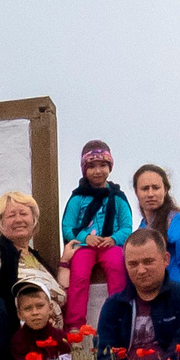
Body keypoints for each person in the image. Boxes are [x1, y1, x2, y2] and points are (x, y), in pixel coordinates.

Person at [92, 228, 180, 360]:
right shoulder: (113, 305)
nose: (141, 270)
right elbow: (104, 355)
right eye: (133, 264)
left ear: (166, 259)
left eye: (148, 262)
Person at [60, 141, 135, 334]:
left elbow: (127, 226)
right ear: (84, 170)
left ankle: (119, 317)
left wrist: (113, 239)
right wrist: (86, 237)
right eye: (91, 166)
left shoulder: (117, 197)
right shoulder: (77, 198)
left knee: (117, 267)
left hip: (110, 244)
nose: (97, 171)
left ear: (110, 167)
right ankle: (75, 325)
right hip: (85, 246)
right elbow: (68, 226)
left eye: (102, 165)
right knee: (80, 275)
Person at [0, 190, 62, 308]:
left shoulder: (36, 258)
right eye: (11, 215)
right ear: (1, 222)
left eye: (23, 214)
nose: (18, 220)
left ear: (34, 220)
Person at [131, 164, 180, 297]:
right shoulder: (142, 227)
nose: (150, 194)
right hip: (151, 297)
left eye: (156, 188)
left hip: (175, 295)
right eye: (145, 189)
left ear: (165, 190)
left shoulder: (178, 220)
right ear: (136, 192)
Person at [2, 279, 72, 360]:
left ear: (50, 308)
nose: (35, 312)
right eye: (28, 308)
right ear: (19, 314)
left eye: (40, 306)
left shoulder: (61, 338)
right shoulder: (17, 342)